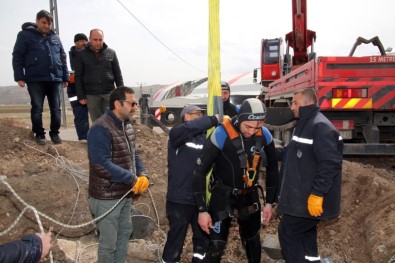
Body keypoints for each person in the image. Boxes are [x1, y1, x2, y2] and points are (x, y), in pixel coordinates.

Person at [193, 98, 279, 263]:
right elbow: (199, 171)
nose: (252, 131)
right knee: (216, 247)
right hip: (222, 196)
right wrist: (202, 210)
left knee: (253, 243)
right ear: (239, 118)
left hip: (249, 197)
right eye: (248, 126)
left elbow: (273, 169)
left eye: (257, 127)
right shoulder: (221, 133)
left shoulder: (264, 134)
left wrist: (269, 203)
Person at [276, 88, 343, 262]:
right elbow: (291, 151)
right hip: (301, 198)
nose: (291, 107)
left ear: (308, 103)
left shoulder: (320, 127)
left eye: (295, 103)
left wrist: (318, 194)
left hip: (309, 199)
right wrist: (270, 151)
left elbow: (330, 163)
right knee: (306, 233)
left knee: (287, 231)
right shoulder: (305, 123)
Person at [87, 86, 149, 263]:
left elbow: (133, 153)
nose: (135, 107)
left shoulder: (126, 125)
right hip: (106, 197)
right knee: (108, 243)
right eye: (132, 103)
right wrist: (132, 178)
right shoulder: (100, 128)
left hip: (124, 193)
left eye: (135, 103)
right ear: (117, 104)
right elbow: (101, 165)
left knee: (124, 234)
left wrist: (142, 174)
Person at [162, 105, 219, 263]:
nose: (201, 117)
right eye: (197, 114)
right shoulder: (177, 133)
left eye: (202, 115)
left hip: (199, 198)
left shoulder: (205, 138)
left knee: (202, 239)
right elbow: (191, 128)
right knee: (175, 240)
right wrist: (214, 119)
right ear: (186, 116)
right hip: (179, 199)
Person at [12, 10, 69, 145]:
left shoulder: (55, 38)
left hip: (54, 78)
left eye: (49, 23)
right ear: (37, 21)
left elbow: (63, 57)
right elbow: (17, 56)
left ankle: (55, 133)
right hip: (35, 79)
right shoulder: (25, 35)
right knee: (37, 108)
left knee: (56, 109)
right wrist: (19, 76)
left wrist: (65, 76)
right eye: (44, 22)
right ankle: (39, 134)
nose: (46, 25)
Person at [75, 28, 124, 122]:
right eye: (95, 40)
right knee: (97, 122)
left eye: (100, 40)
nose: (98, 42)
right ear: (90, 39)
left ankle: (110, 137)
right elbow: (78, 76)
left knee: (111, 120)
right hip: (91, 95)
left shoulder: (111, 53)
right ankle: (99, 137)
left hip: (109, 93)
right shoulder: (81, 54)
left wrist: (121, 93)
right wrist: (81, 96)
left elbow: (118, 74)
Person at [68, 33, 90, 141]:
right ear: (75, 43)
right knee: (80, 113)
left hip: (88, 89)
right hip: (73, 91)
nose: (83, 43)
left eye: (85, 40)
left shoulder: (90, 53)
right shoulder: (72, 54)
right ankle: (83, 138)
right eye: (81, 41)